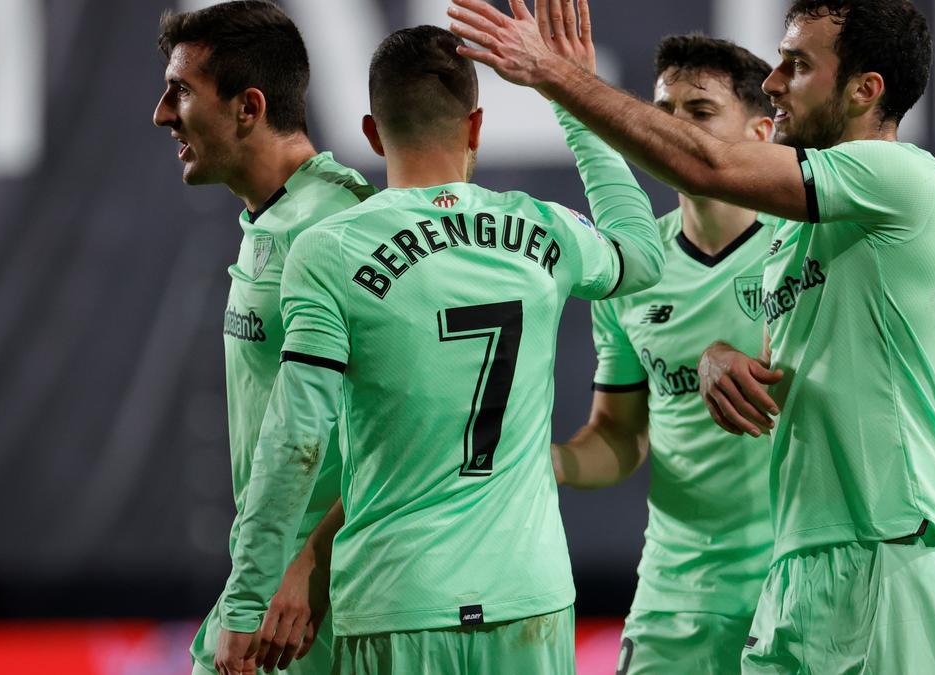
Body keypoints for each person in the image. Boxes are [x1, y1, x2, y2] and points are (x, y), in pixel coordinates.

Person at [450, 0, 935, 672]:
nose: (774, 81)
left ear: (863, 89)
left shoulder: (904, 179)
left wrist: (560, 80)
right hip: (800, 563)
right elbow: (803, 371)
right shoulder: (794, 237)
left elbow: (708, 167)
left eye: (797, 65)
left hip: (892, 544)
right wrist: (717, 360)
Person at [214, 23, 664, 675]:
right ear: (475, 125)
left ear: (371, 133)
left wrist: (246, 600)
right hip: (528, 601)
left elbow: (296, 440)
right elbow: (642, 257)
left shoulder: (329, 251)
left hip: (399, 602)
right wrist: (574, 100)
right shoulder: (543, 228)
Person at [152, 2, 374, 673]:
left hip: (312, 615)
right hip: (267, 595)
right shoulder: (282, 219)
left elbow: (407, 434)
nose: (163, 113)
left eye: (182, 91)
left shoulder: (336, 232)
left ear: (248, 107)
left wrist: (308, 566)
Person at [552, 34, 775, 675]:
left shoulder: (808, 249)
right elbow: (619, 436)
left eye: (699, 112)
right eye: (663, 109)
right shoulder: (632, 265)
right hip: (676, 597)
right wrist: (548, 464)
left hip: (799, 589)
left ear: (763, 132)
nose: (670, 128)